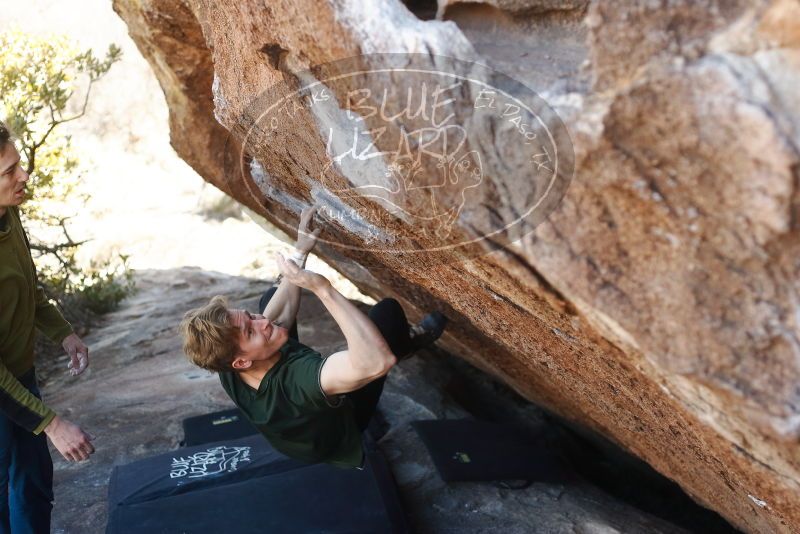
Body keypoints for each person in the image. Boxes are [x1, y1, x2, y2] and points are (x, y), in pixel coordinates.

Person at [181, 205, 446, 468]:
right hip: (339, 435)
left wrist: (298, 255)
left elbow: (274, 316)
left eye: (250, 317)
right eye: (251, 331)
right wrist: (322, 288)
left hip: (296, 439)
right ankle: (405, 344)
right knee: (387, 316)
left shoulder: (226, 361)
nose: (262, 323)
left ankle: (274, 298)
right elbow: (377, 362)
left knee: (269, 300)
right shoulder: (298, 382)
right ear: (241, 362)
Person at [0, 121, 95, 532]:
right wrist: (52, 423)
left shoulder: (9, 215)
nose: (23, 175)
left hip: (19, 380)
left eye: (18, 165)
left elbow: (28, 287)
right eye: (9, 171)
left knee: (34, 487)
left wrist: (64, 332)